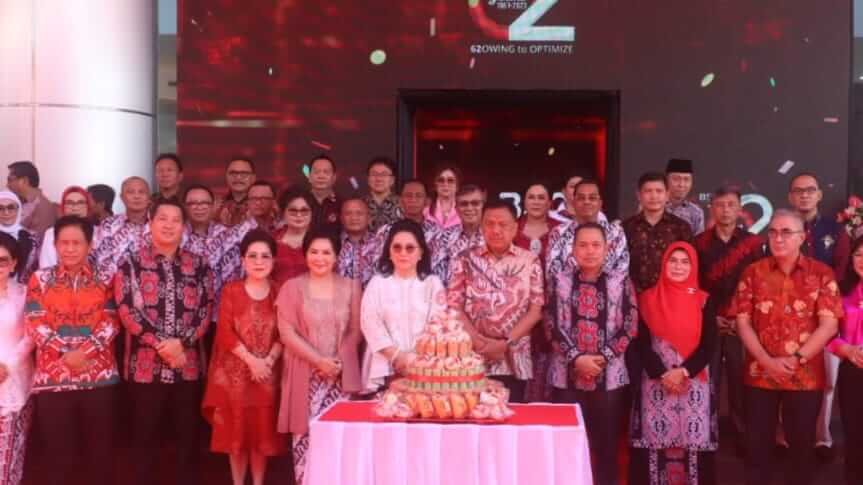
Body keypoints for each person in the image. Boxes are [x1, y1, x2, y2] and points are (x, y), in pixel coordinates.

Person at [731, 209, 842, 485]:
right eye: (773, 232)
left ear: (802, 237)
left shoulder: (821, 273)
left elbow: (829, 325)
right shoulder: (753, 272)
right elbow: (742, 322)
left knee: (802, 449)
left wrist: (796, 359)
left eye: (786, 232)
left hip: (805, 375)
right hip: (759, 373)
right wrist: (767, 361)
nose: (778, 238)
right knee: (757, 448)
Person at [115, 199, 214, 485]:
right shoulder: (131, 263)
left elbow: (206, 309)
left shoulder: (199, 265)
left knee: (187, 441)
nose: (169, 225)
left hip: (188, 368)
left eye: (175, 220)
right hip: (144, 370)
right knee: (143, 441)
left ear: (184, 227)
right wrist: (164, 346)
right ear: (150, 223)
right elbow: (126, 309)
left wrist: (181, 344)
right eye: (162, 218)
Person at [26, 216, 120, 485]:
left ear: (89, 245)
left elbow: (112, 320)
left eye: (76, 243)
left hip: (99, 380)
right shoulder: (40, 279)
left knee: (99, 454)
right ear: (55, 245)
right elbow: (34, 322)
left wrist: (85, 353)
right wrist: (67, 353)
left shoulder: (106, 277)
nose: (69, 249)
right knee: (59, 456)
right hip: (53, 380)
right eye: (63, 243)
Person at [551, 223, 638, 484]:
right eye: (583, 245)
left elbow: (630, 325)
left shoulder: (620, 281)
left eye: (596, 245)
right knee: (566, 446)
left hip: (609, 377)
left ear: (607, 249)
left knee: (607, 446)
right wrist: (577, 358)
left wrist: (602, 359)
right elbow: (550, 324)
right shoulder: (559, 280)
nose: (589, 251)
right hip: (566, 377)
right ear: (573, 249)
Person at [629, 241, 718, 485]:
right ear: (664, 264)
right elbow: (641, 344)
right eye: (673, 261)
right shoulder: (646, 299)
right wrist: (663, 374)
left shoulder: (703, 300)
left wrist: (683, 371)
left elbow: (709, 344)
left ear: (694, 266)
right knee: (655, 444)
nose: (678, 266)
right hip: (655, 382)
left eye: (685, 262)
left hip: (693, 382)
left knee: (693, 445)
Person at [278, 227, 362, 484]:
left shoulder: (351, 287)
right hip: (306, 377)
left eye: (326, 252)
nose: (320, 258)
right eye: (314, 252)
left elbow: (356, 330)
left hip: (340, 377)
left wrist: (337, 361)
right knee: (306, 442)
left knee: (340, 441)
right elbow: (287, 333)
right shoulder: (292, 287)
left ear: (336, 256)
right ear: (305, 254)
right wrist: (319, 361)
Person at [203, 230, 285, 485]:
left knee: (260, 438)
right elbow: (224, 333)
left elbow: (285, 333)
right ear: (242, 260)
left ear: (273, 260)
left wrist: (267, 363)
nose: (259, 261)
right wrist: (252, 362)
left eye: (265, 256)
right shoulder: (231, 291)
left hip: (267, 378)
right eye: (253, 256)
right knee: (236, 439)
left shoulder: (280, 292)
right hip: (235, 379)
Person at [448, 199, 544, 403]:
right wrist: (479, 343)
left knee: (513, 414)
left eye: (503, 224)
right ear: (482, 227)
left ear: (515, 228)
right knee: (472, 413)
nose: (496, 230)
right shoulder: (465, 259)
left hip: (514, 355)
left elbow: (536, 311)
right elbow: (454, 306)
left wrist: (505, 343)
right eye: (490, 224)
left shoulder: (530, 261)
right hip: (473, 355)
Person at [694, 186, 765, 454]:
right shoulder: (698, 243)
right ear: (712, 208)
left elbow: (760, 284)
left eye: (730, 205)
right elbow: (693, 285)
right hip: (708, 323)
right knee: (707, 382)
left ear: (739, 209)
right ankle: (705, 436)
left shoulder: (753, 244)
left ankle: (743, 437)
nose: (725, 210)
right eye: (720, 205)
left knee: (740, 382)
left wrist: (742, 319)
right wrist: (710, 317)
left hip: (741, 325)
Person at [788, 172, 850, 461]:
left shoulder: (835, 230)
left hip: (825, 315)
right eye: (798, 191)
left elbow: (843, 269)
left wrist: (819, 298)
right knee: (788, 375)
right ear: (790, 196)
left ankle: (822, 438)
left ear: (819, 194)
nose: (804, 195)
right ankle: (783, 437)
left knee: (826, 379)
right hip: (788, 315)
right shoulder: (782, 228)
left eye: (810, 190)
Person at [361, 219, 445, 392]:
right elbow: (370, 323)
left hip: (426, 367)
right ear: (389, 252)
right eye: (397, 248)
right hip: (384, 367)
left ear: (421, 253)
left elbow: (438, 324)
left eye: (410, 248)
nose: (403, 253)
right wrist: (398, 357)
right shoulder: (377, 283)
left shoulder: (432, 284)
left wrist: (415, 359)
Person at [514, 182, 559, 402]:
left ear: (550, 202)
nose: (536, 202)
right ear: (524, 201)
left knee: (546, 363)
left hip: (552, 306)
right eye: (531, 197)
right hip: (518, 307)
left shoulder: (560, 230)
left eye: (541, 197)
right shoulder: (512, 228)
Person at [828, 236, 863, 483]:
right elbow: (829, 335)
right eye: (859, 254)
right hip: (852, 370)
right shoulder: (841, 291)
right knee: (854, 433)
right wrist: (848, 350)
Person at [623, 172, 693, 292]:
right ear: (639, 195)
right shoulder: (626, 227)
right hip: (635, 296)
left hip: (670, 295)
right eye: (648, 191)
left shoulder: (681, 227)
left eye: (659, 191)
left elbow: (690, 265)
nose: (654, 196)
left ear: (667, 195)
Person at [0, 233, 32, 485]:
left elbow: (32, 336)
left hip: (14, 383)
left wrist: (6, 366)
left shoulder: (25, 295)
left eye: (2, 260)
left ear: (13, 263)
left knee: (9, 458)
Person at [91, 176, 151, 278]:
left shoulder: (161, 225)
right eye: (131, 192)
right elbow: (96, 258)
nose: (137, 196)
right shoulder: (108, 225)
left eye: (141, 192)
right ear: (122, 197)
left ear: (149, 197)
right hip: (113, 284)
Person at [430, 184, 486, 286]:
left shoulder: (494, 236)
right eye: (464, 204)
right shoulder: (445, 237)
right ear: (456, 209)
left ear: (482, 205)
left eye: (475, 203)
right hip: (452, 294)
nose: (469, 208)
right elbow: (436, 273)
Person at [39, 186, 92, 269]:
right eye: (70, 203)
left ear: (87, 207)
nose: (75, 208)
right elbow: (46, 266)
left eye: (80, 203)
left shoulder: (99, 232)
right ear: (63, 207)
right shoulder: (51, 233)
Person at [272, 188, 316, 288]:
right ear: (283, 212)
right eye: (293, 210)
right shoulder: (271, 240)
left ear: (312, 213)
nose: (299, 215)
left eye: (304, 210)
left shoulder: (322, 242)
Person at [6, 160, 55, 238]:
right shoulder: (20, 202)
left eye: (10, 180)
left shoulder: (43, 206)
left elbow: (37, 241)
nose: (7, 185)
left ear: (24, 181)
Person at [336, 197, 379, 287]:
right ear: (341, 218)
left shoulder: (379, 244)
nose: (354, 218)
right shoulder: (332, 243)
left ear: (369, 217)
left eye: (359, 213)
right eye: (348, 213)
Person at [0, 191, 39, 284]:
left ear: (19, 210)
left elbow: (32, 268)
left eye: (11, 207)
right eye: (0, 208)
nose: (6, 212)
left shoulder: (30, 237)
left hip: (20, 288)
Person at [666, 158, 705, 234]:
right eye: (676, 179)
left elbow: (699, 240)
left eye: (686, 179)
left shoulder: (696, 212)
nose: (681, 184)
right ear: (666, 180)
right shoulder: (656, 207)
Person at [365, 156, 402, 232]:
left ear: (392, 180)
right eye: (374, 174)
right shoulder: (360, 204)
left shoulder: (403, 204)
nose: (379, 179)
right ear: (368, 179)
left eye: (384, 174)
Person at [218, 157, 257, 227]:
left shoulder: (263, 205)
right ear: (226, 176)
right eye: (233, 173)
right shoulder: (216, 207)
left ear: (253, 178)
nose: (238, 177)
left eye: (244, 173)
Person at [307, 155, 341, 227]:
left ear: (334, 178)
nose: (321, 176)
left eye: (326, 172)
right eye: (316, 172)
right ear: (309, 177)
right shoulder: (300, 203)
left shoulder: (342, 204)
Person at [424, 164, 462, 230]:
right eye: (441, 180)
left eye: (450, 180)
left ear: (457, 186)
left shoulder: (464, 211)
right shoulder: (425, 211)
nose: (445, 184)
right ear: (435, 185)